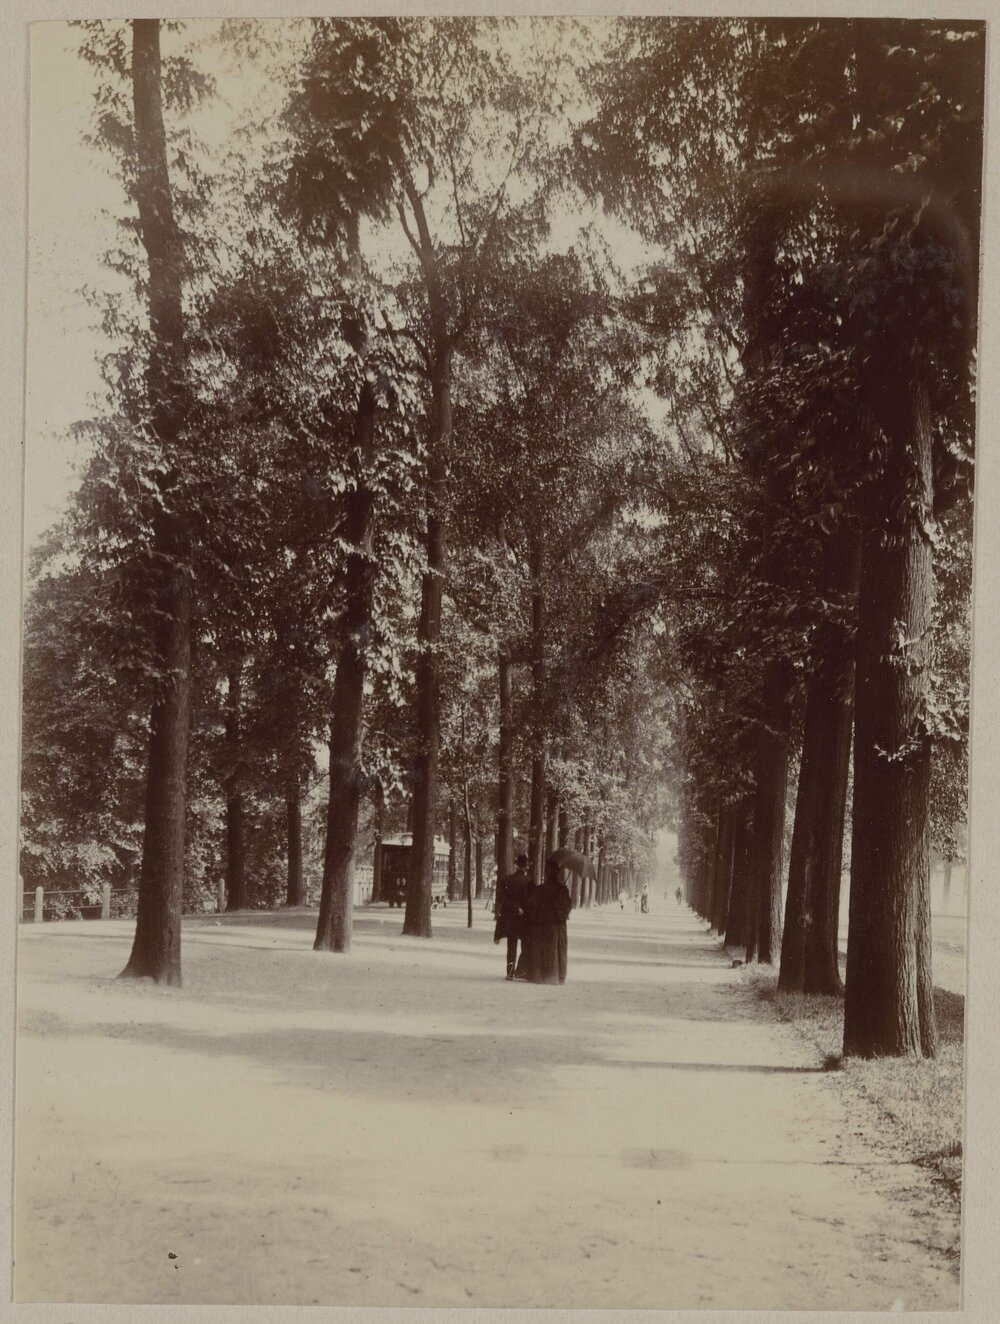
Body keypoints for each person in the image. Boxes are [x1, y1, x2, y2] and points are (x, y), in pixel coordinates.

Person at [524, 859, 572, 985]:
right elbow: (567, 908)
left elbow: (531, 907)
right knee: (555, 950)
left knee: (539, 948)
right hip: (555, 925)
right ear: (558, 873)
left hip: (540, 925)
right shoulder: (562, 890)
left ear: (547, 873)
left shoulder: (539, 890)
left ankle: (538, 976)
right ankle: (554, 977)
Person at [493, 853, 532, 980]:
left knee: (511, 946)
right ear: (526, 867)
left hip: (510, 917)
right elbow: (532, 900)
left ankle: (510, 972)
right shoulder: (529, 882)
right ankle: (522, 970)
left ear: (516, 866)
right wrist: (523, 909)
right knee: (525, 945)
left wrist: (514, 908)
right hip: (524, 919)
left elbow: (501, 898)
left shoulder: (507, 880)